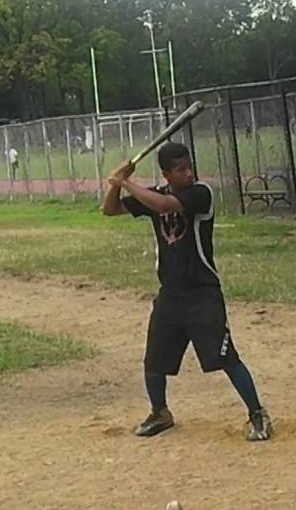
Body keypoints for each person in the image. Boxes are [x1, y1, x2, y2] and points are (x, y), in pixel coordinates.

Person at [100, 142, 272, 441]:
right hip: (171, 294)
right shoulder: (156, 194)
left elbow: (165, 207)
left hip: (203, 294)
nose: (189, 173)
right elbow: (110, 209)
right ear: (166, 174)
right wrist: (117, 185)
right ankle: (160, 412)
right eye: (180, 171)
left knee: (225, 357)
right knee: (154, 359)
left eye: (190, 167)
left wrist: (125, 181)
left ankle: (258, 414)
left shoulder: (200, 193)